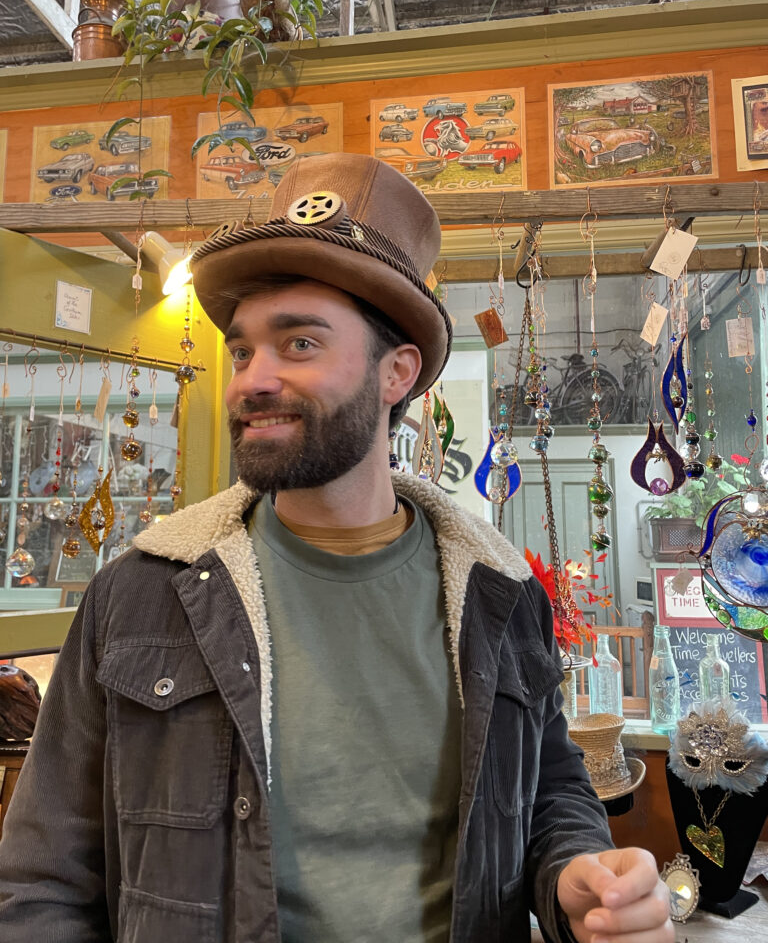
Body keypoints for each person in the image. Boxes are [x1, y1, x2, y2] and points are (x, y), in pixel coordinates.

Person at [0, 153, 672, 943]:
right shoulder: (141, 594)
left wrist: (577, 877)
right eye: (244, 348)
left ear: (398, 373)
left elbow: (551, 788)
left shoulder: (500, 594)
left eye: (300, 344)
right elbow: (42, 884)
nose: (250, 378)